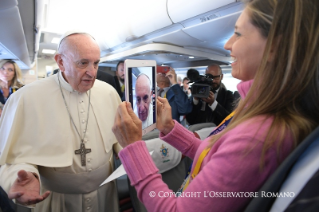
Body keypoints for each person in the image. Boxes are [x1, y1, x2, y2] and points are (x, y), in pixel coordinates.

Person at [112, 0, 319, 211]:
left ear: (275, 46)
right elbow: (213, 155)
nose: (228, 44)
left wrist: (132, 147)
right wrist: (170, 129)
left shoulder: (256, 136)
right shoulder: (260, 111)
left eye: (237, 34)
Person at [0, 31, 122, 212]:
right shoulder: (26, 98)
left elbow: (121, 142)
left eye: (96, 63)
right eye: (83, 63)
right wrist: (23, 176)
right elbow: (11, 158)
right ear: (60, 62)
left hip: (104, 195)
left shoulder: (109, 93)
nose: (92, 72)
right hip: (56, 200)